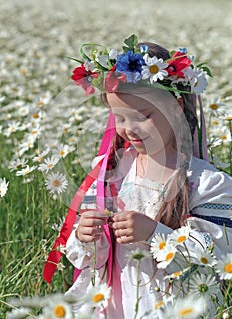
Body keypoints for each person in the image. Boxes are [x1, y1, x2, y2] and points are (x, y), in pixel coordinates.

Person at [44, 35, 232, 318]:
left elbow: (219, 260)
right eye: (119, 118)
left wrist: (154, 234)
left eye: (143, 116)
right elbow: (94, 259)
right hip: (116, 304)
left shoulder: (205, 183)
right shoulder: (110, 173)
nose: (129, 129)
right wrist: (87, 237)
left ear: (176, 106)